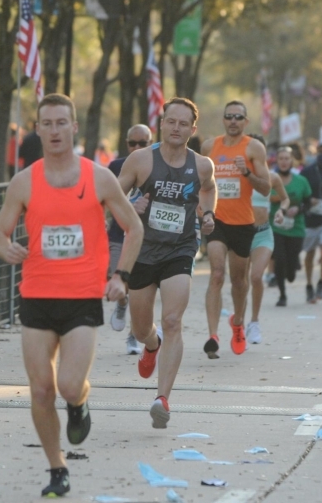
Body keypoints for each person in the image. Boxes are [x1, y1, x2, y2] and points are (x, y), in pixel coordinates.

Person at [0, 94, 142, 498]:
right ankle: (57, 468)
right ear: (37, 129)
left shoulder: (98, 178)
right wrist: (4, 248)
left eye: (62, 123)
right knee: (41, 390)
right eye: (47, 123)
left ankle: (79, 404)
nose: (55, 130)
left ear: (74, 128)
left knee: (70, 385)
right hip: (37, 296)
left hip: (81, 298)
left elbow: (134, 228)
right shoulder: (25, 181)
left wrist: (121, 276)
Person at [117, 98, 216, 427]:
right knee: (140, 327)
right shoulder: (141, 160)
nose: (176, 128)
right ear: (162, 124)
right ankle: (151, 344)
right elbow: (112, 202)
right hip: (142, 250)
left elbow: (209, 188)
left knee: (173, 320)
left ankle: (163, 399)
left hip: (180, 248)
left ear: (193, 129)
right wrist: (133, 205)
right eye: (171, 121)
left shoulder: (202, 165)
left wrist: (209, 212)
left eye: (183, 123)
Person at [200, 101, 270, 357]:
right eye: (228, 116)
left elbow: (266, 188)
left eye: (238, 117)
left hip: (243, 222)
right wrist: (201, 209)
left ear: (245, 122)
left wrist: (247, 174)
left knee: (239, 280)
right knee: (217, 274)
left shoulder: (253, 148)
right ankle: (212, 336)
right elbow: (199, 181)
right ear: (223, 119)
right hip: (216, 219)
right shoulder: (209, 146)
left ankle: (238, 323)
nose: (233, 121)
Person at [107, 123, 152, 355]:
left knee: (137, 289)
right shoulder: (115, 166)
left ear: (150, 143)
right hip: (118, 235)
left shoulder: (156, 166)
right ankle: (122, 304)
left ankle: (133, 338)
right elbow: (107, 200)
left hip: (144, 238)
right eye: (132, 143)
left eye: (142, 143)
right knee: (119, 283)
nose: (136, 147)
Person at [246, 134, 288, 341]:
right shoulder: (235, 177)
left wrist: (281, 211)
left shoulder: (273, 177)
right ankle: (238, 320)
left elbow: (285, 199)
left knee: (256, 277)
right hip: (240, 234)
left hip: (263, 233)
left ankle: (254, 322)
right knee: (240, 282)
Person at [270, 146, 311, 306]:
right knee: (279, 259)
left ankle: (292, 269)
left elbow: (308, 202)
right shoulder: (271, 179)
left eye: (287, 158)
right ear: (277, 161)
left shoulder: (301, 181)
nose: (284, 162)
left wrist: (299, 209)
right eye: (281, 159)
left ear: (292, 161)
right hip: (276, 226)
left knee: (291, 269)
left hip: (296, 228)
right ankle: (282, 294)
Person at [301, 141, 322, 304]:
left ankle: (321, 280)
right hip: (311, 217)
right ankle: (309, 284)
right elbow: (300, 192)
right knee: (310, 252)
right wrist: (309, 201)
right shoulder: (307, 171)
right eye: (320, 151)